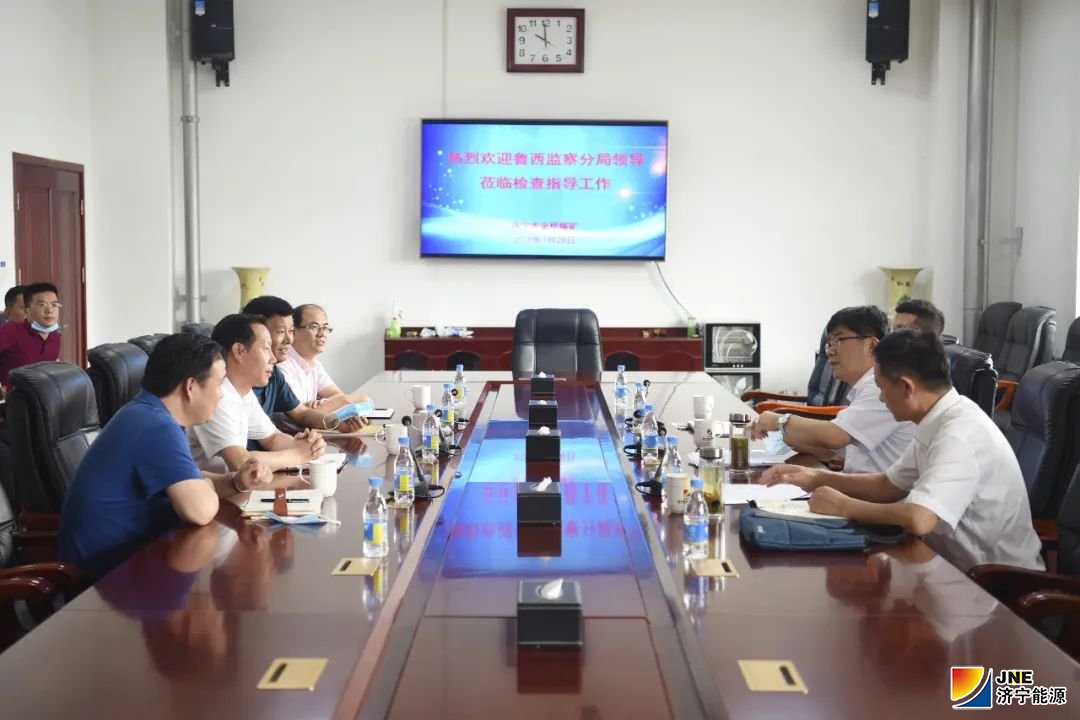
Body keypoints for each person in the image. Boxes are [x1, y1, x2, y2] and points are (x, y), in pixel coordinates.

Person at [762, 328, 1044, 572]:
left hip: (996, 585)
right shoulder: (938, 417)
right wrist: (816, 478)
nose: (881, 398)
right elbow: (888, 485)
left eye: (882, 388)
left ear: (907, 386)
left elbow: (919, 519)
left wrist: (843, 506)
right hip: (948, 565)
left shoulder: (959, 435)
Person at [57, 332, 273, 580]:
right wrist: (204, 487)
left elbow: (190, 481)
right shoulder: (155, 425)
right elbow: (200, 510)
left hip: (131, 560)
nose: (221, 394)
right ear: (191, 387)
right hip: (106, 577)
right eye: (219, 384)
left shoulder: (150, 414)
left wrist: (236, 481)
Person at [751, 306, 915, 473]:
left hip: (873, 488)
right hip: (856, 481)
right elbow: (832, 446)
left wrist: (779, 421)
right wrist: (786, 434)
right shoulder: (864, 388)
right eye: (829, 343)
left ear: (871, 345)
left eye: (838, 341)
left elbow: (835, 436)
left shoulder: (880, 388)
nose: (830, 351)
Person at [188, 313, 326, 474]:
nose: (273, 358)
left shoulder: (243, 393)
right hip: (208, 487)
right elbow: (240, 463)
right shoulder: (217, 395)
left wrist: (308, 446)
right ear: (239, 351)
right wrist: (299, 455)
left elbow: (272, 438)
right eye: (266, 348)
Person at [241, 295, 365, 444]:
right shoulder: (235, 387)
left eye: (291, 331)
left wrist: (337, 423)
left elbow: (301, 414)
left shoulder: (275, 374)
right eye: (280, 332)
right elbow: (241, 456)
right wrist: (298, 450)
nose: (289, 340)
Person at [279, 303, 369, 410]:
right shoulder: (282, 364)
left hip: (312, 420)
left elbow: (337, 394)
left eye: (325, 328)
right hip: (296, 421)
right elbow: (301, 412)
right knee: (361, 399)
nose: (322, 334)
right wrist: (335, 403)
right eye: (314, 327)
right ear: (293, 331)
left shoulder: (315, 363)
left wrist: (323, 403)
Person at [0, 281, 62, 389]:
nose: (49, 310)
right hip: (15, 397)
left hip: (44, 396)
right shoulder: (11, 331)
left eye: (54, 305)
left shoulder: (56, 337)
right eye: (42, 305)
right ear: (27, 310)